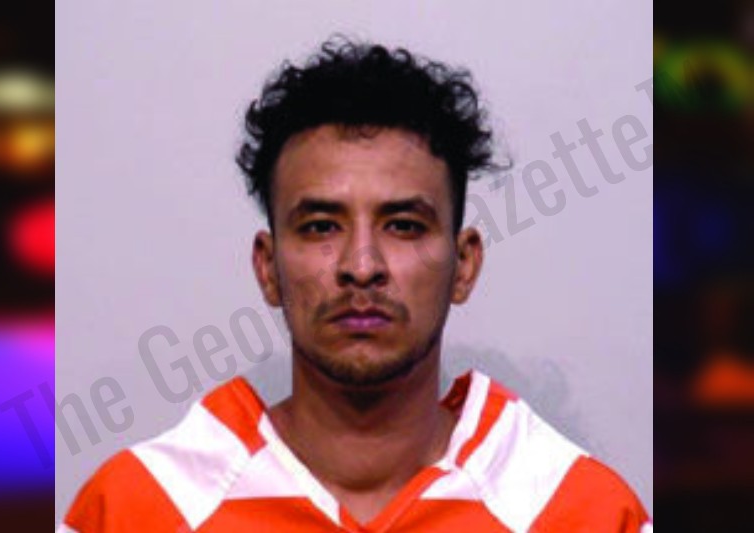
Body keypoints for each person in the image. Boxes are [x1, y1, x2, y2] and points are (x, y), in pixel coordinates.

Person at [59, 37, 652, 532]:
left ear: (464, 264)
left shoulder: (582, 512)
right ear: (267, 268)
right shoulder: (139, 508)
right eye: (321, 226)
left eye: (404, 225)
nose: (361, 265)